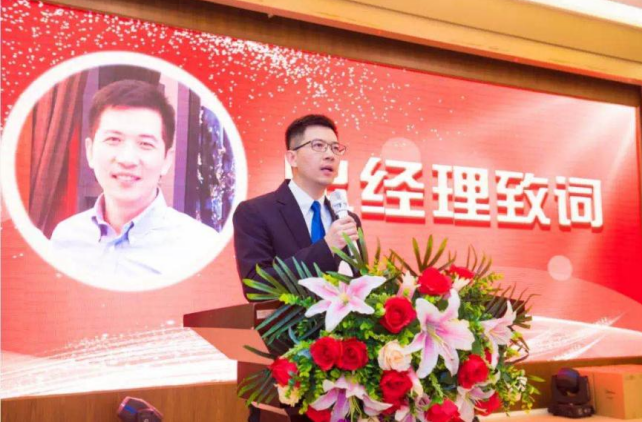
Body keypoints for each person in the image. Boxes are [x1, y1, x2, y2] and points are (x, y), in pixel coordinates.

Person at [51, 79, 219, 279]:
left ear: (166, 160)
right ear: (90, 152)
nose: (127, 159)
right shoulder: (65, 238)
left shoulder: (202, 248)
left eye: (145, 144)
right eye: (113, 139)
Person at [233, 114, 361, 297]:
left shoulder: (347, 219)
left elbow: (358, 283)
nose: (330, 155)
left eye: (335, 148)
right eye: (318, 146)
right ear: (292, 158)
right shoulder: (255, 212)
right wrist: (326, 248)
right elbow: (256, 286)